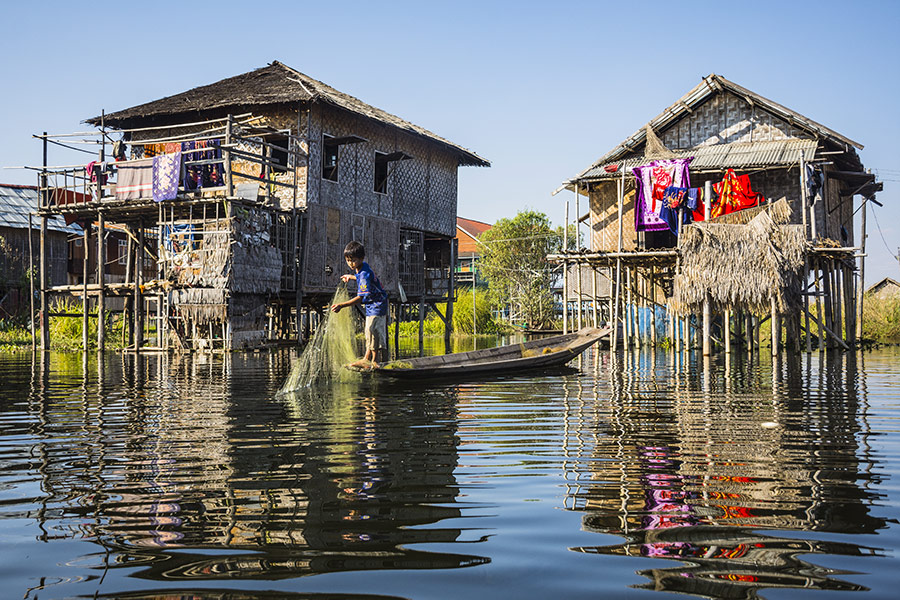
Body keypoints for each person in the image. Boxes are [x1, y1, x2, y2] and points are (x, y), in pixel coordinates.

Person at [331, 241, 388, 368]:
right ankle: (366, 359)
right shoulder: (361, 268)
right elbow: (361, 278)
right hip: (372, 304)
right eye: (348, 260)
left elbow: (361, 298)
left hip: (378, 304)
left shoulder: (364, 273)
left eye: (353, 260)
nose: (350, 263)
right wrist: (350, 277)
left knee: (374, 330)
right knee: (369, 331)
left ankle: (374, 361)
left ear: (361, 258)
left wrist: (342, 305)